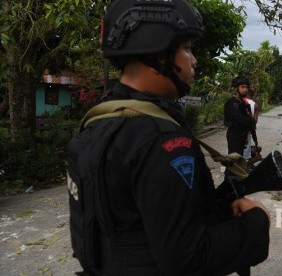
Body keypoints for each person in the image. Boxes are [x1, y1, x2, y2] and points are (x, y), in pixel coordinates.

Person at [67, 1, 270, 275]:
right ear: (159, 54)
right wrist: (257, 221)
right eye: (187, 49)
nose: (194, 60)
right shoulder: (162, 141)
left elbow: (138, 220)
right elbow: (190, 259)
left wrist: (220, 207)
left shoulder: (101, 121)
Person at [224, 76, 256, 156]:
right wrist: (251, 121)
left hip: (242, 136)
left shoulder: (243, 103)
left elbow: (249, 120)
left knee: (240, 159)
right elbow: (240, 119)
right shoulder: (232, 103)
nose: (245, 89)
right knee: (234, 161)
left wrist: (255, 139)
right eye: (242, 87)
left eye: (246, 87)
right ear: (236, 88)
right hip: (234, 136)